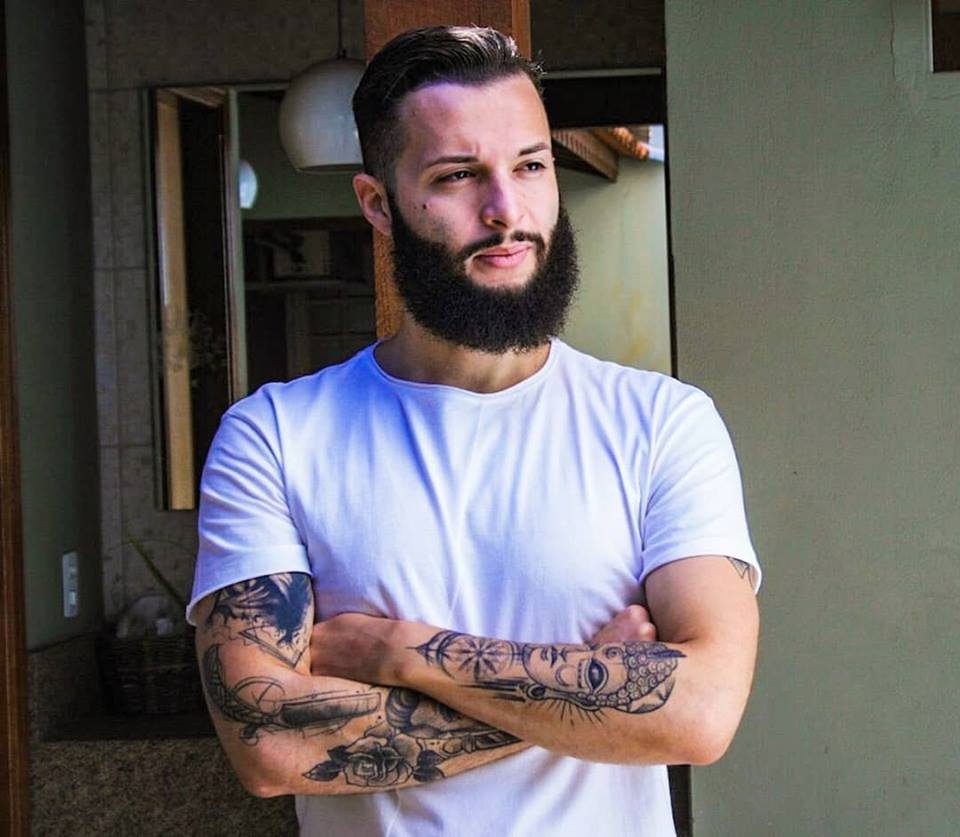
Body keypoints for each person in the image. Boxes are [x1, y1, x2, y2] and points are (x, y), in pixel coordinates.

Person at [188, 25, 761, 837]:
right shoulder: (275, 436)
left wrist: (400, 653)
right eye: (458, 175)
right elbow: (270, 745)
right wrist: (597, 685)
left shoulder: (662, 423)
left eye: (530, 166)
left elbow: (701, 713)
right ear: (378, 204)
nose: (506, 210)